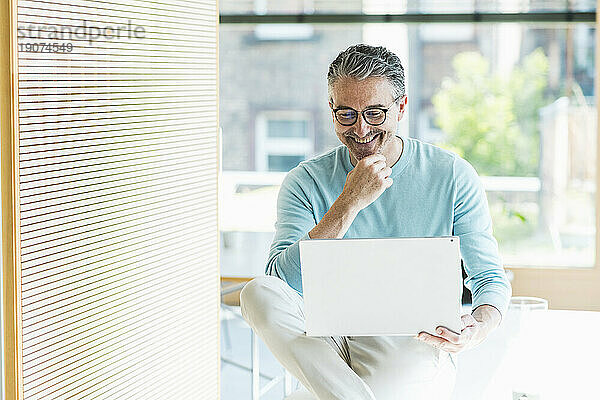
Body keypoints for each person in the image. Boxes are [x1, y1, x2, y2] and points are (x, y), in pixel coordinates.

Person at [240, 44, 512, 400]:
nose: (361, 129)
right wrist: (349, 202)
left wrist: (478, 326)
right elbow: (282, 282)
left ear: (400, 107)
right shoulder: (304, 180)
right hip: (323, 335)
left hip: (410, 334)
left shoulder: (452, 175)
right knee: (256, 292)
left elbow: (490, 278)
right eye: (347, 115)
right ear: (331, 110)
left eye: (375, 113)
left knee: (371, 385)